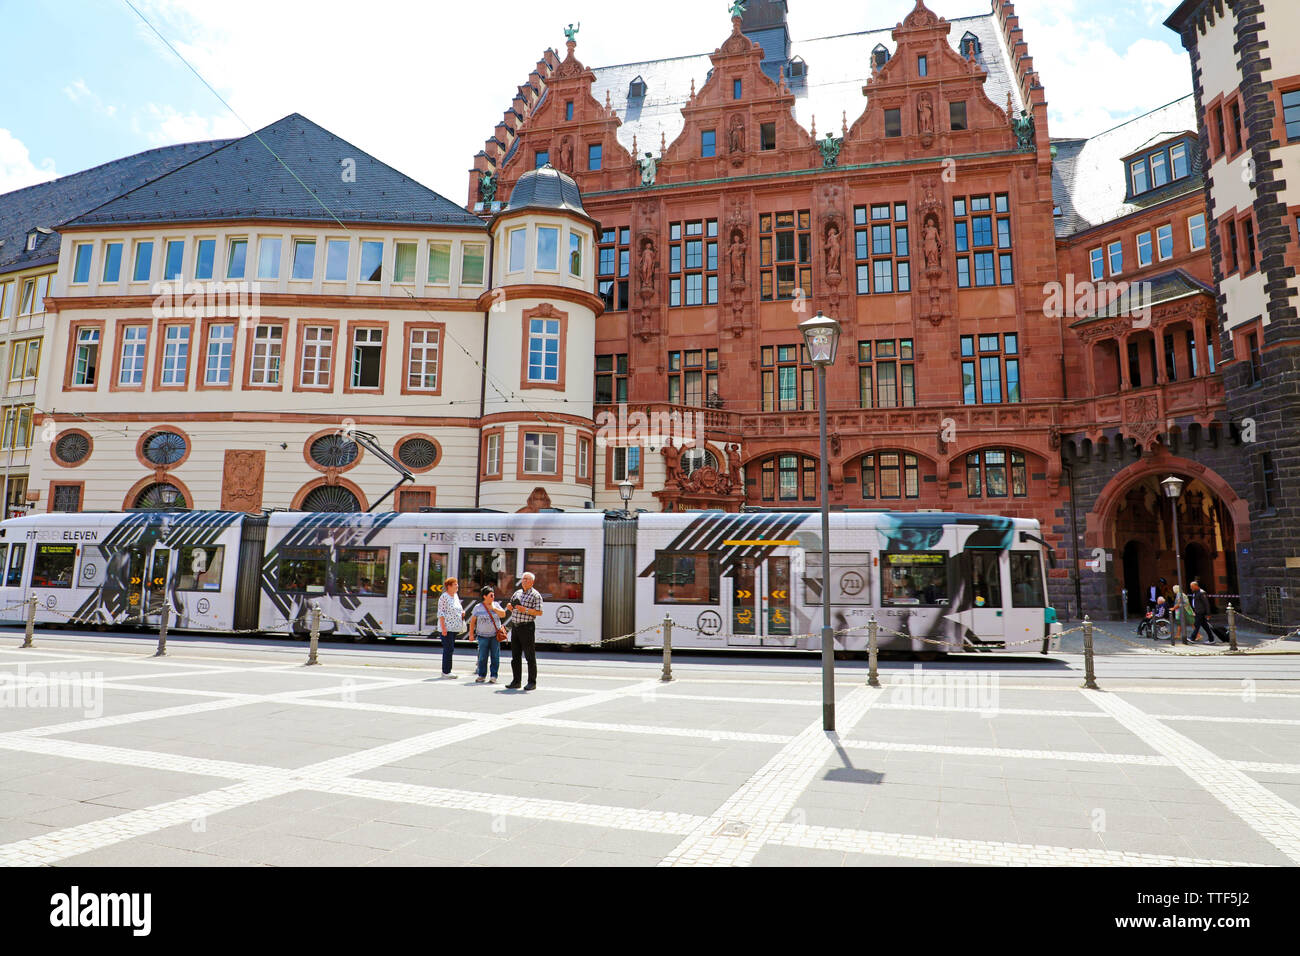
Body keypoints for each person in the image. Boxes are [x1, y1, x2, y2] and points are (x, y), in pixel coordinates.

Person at [504, 571, 543, 691]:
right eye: (523, 579)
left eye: (527, 579)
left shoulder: (536, 595)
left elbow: (539, 612)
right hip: (515, 626)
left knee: (530, 656)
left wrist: (525, 609)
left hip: (527, 627)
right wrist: (510, 607)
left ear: (532, 582)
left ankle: (532, 682)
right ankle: (516, 681)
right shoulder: (517, 593)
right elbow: (512, 607)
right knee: (515, 656)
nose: (524, 581)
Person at [469, 586, 507, 683]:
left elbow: (503, 614)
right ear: (485, 596)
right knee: (482, 657)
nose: (493, 597)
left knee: (495, 656)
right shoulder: (478, 607)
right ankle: (482, 675)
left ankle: (493, 676)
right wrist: (471, 634)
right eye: (491, 595)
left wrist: (494, 608)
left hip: (495, 636)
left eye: (493, 595)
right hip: (482, 636)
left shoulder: (496, 605)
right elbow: (472, 621)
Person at [436, 577, 466, 679]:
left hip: (454, 628)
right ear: (448, 586)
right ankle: (446, 672)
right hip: (447, 628)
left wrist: (462, 612)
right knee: (448, 649)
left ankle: (448, 671)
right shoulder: (444, 597)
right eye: (455, 584)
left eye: (457, 584)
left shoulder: (455, 596)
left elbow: (459, 608)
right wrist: (443, 628)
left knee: (450, 649)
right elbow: (441, 613)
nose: (457, 586)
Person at [1185, 580, 1220, 644]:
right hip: (1197, 611)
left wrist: (1208, 613)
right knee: (1205, 626)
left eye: (1192, 586)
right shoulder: (1195, 592)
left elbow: (1206, 604)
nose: (1191, 588)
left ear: (1196, 586)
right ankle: (1211, 639)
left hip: (1201, 612)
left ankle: (1192, 638)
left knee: (1197, 625)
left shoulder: (1202, 593)